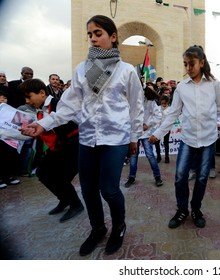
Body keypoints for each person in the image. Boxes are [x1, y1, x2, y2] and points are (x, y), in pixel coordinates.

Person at [20, 15, 144, 256]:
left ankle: (119, 226)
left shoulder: (126, 71)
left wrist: (133, 138)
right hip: (87, 138)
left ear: (113, 37)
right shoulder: (81, 69)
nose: (93, 39)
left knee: (108, 189)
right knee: (87, 189)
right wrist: (43, 125)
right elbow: (68, 107)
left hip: (115, 138)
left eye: (98, 33)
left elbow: (136, 107)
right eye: (90, 34)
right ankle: (98, 228)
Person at [149, 45, 220, 229]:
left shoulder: (214, 85)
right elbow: (173, 113)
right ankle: (182, 209)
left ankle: (196, 209)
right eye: (185, 64)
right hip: (188, 139)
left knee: (202, 177)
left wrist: (216, 127)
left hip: (208, 140)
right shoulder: (182, 87)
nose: (188, 68)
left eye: (192, 64)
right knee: (180, 175)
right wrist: (158, 133)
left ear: (202, 63)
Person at [17, 79, 84, 222]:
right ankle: (64, 199)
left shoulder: (59, 104)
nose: (27, 101)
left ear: (41, 93)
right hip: (57, 149)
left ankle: (76, 204)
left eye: (29, 97)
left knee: (60, 177)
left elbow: (80, 122)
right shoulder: (39, 110)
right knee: (43, 173)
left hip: (72, 147)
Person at [124, 84, 163, 188]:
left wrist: (147, 124)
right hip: (134, 133)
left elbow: (158, 115)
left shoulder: (151, 101)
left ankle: (158, 177)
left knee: (150, 155)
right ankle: (131, 177)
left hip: (146, 133)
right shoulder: (132, 100)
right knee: (133, 156)